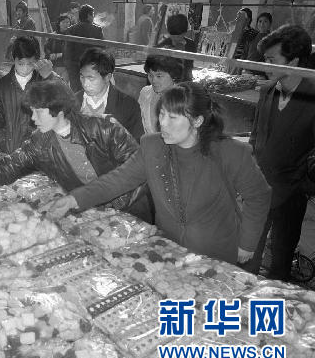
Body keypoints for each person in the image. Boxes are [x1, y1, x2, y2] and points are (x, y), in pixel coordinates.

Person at [42, 82, 271, 265]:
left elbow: (259, 196)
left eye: (173, 118)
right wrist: (74, 199)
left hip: (215, 253)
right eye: (161, 115)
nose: (163, 124)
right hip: (170, 251)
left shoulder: (231, 153)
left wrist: (247, 243)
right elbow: (118, 180)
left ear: (197, 121)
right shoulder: (153, 147)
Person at [0, 80, 140, 215]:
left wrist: (117, 205)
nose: (32, 118)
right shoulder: (40, 142)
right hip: (89, 212)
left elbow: (139, 169)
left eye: (38, 112)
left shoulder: (104, 128)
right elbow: (7, 168)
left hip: (132, 208)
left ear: (58, 111)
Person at [248, 25, 315, 280]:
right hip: (259, 187)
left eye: (271, 60)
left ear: (294, 62)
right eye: (264, 59)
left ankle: (275, 295)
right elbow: (256, 135)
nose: (265, 66)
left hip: (291, 194)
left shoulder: (312, 96)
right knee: (249, 250)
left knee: (281, 257)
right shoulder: (268, 90)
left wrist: (303, 184)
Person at [0, 36, 60, 154]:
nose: (26, 68)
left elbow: (64, 105)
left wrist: (50, 76)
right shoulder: (0, 88)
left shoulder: (45, 82)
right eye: (21, 64)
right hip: (10, 153)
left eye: (30, 63)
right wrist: (5, 144)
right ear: (14, 59)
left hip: (39, 155)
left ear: (37, 60)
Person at [76, 48, 143, 141]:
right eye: (82, 77)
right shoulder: (72, 101)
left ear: (108, 77)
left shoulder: (128, 106)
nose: (85, 84)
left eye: (91, 78)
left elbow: (136, 143)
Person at [137, 55, 184, 134]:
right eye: (150, 75)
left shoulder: (183, 98)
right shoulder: (145, 92)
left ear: (173, 75)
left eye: (159, 76)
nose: (153, 80)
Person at [63, 4, 104, 93]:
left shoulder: (71, 30)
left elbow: (67, 50)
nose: (93, 17)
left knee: (76, 91)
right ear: (89, 16)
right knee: (90, 91)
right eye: (92, 15)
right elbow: (101, 49)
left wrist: (69, 67)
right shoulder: (97, 30)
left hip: (74, 67)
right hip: (91, 67)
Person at [155, 14, 196, 81]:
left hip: (185, 82)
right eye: (173, 35)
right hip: (167, 83)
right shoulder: (162, 46)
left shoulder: (191, 45)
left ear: (185, 32)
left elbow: (189, 67)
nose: (176, 38)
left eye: (179, 35)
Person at [44, 15, 71, 82]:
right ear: (59, 23)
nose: (66, 24)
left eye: (68, 22)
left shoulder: (72, 37)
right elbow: (47, 51)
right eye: (63, 22)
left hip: (67, 67)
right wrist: (55, 55)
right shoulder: (53, 36)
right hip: (54, 66)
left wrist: (61, 55)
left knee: (64, 85)